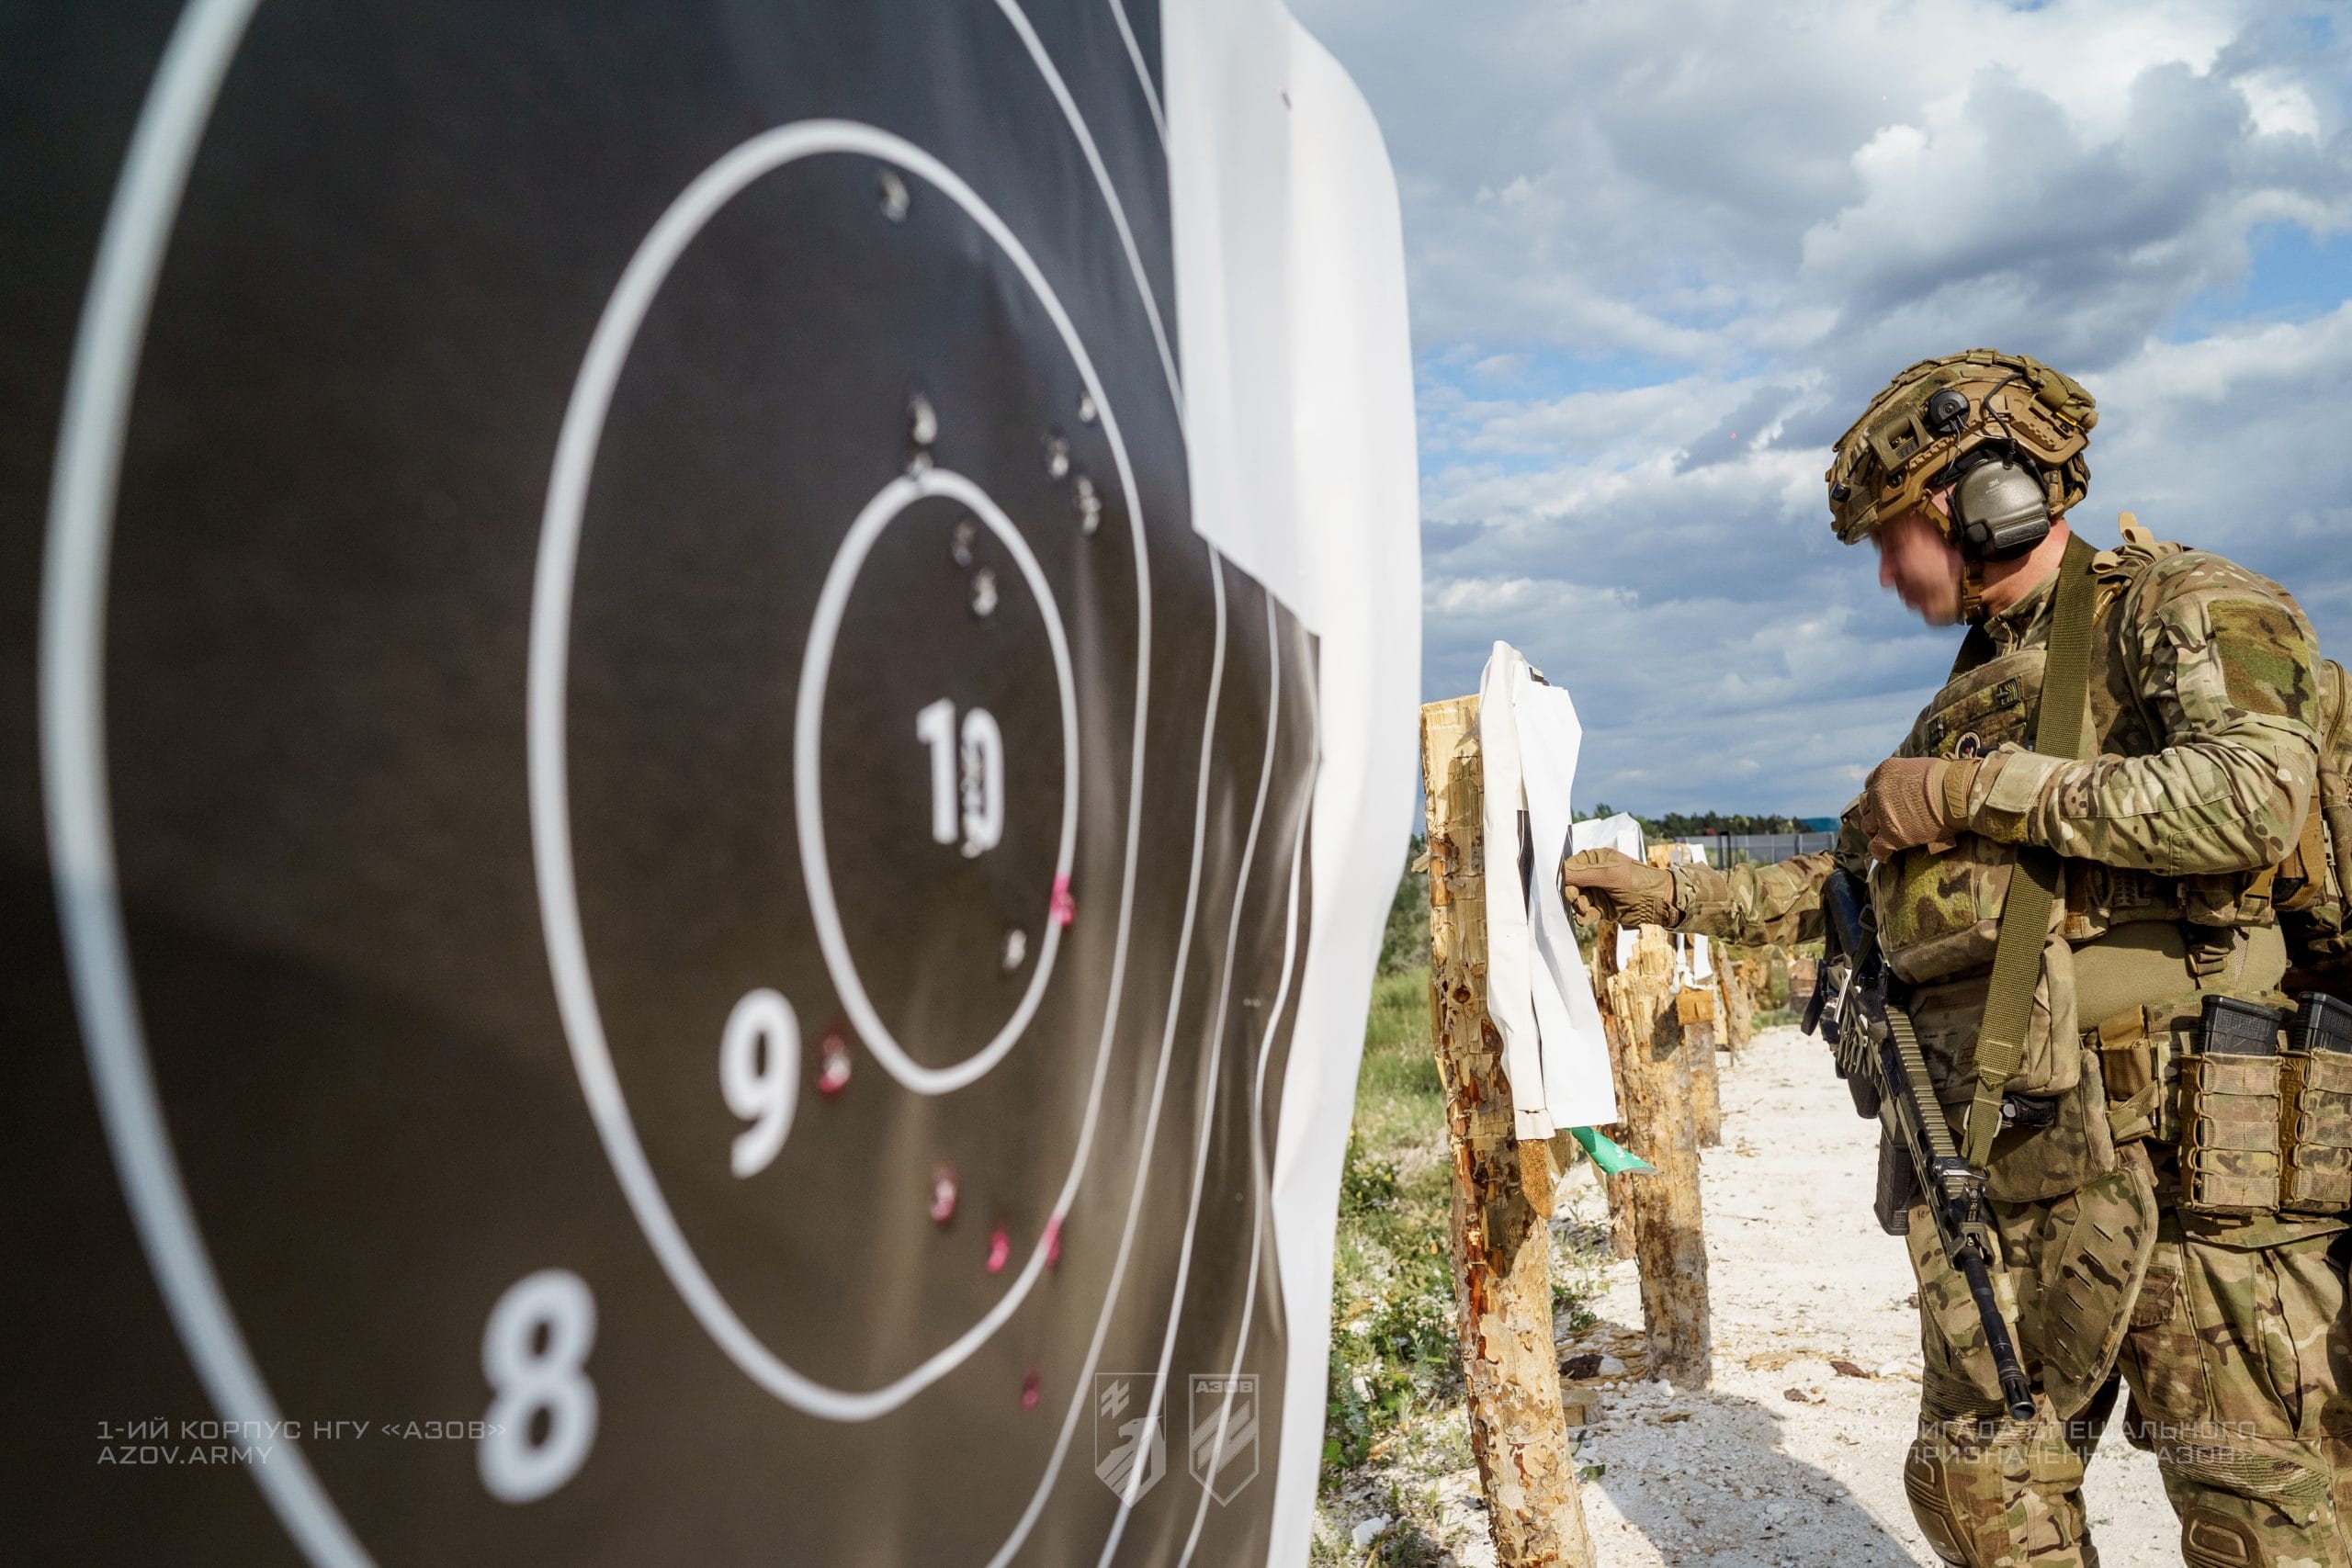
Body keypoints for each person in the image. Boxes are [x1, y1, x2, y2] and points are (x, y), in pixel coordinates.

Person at [1561, 349, 2351, 1568]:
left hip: (2204, 1165)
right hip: (2020, 1168)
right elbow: (1858, 885)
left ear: (1988, 499)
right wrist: (1661, 889)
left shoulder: (2189, 607)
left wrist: (1978, 792)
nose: (1885, 570)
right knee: (1983, 1494)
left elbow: (2250, 797)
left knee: (2263, 1520)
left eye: (1894, 535)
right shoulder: (1968, 697)